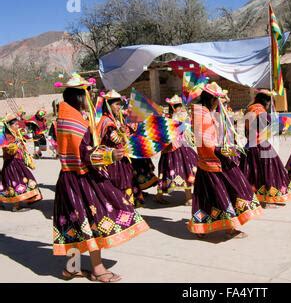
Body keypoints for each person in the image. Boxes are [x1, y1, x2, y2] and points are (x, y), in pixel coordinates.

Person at [53, 76, 149, 283]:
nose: (90, 97)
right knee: (91, 223)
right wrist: (109, 156)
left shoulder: (67, 115)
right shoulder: (73, 120)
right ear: (80, 95)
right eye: (87, 93)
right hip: (80, 178)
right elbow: (83, 153)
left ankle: (72, 268)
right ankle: (97, 269)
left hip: (69, 178)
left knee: (76, 224)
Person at [188, 82, 262, 239]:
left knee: (208, 196)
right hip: (213, 160)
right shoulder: (202, 114)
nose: (219, 102)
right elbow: (206, 140)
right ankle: (229, 228)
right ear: (212, 99)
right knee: (228, 192)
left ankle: (202, 227)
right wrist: (225, 150)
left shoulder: (206, 112)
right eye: (218, 99)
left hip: (211, 159)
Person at [239, 89, 291, 208]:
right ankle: (265, 201)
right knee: (266, 172)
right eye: (269, 103)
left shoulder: (250, 108)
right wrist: (282, 127)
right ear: (267, 102)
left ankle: (258, 199)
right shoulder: (259, 110)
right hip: (260, 145)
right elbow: (267, 125)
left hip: (251, 144)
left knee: (255, 173)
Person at [97, 90, 145, 207]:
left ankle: (125, 207)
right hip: (113, 160)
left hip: (120, 157)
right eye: (116, 104)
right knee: (119, 183)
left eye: (120, 104)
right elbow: (116, 139)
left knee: (126, 182)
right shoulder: (107, 121)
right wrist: (124, 134)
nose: (119, 107)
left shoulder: (115, 119)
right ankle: (121, 208)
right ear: (108, 105)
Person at [155, 94, 197, 205]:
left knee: (186, 169)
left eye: (180, 105)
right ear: (174, 107)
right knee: (175, 171)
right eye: (178, 106)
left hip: (180, 146)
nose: (180, 107)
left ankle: (188, 197)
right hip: (173, 148)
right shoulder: (170, 118)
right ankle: (161, 195)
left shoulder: (175, 116)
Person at [1, 114, 42, 212]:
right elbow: (8, 150)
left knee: (23, 180)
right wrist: (15, 145)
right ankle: (16, 206)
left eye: (17, 124)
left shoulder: (15, 134)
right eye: (15, 125)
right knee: (16, 182)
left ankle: (28, 199)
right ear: (10, 126)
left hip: (17, 161)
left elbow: (25, 139)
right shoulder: (7, 136)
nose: (17, 126)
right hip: (12, 164)